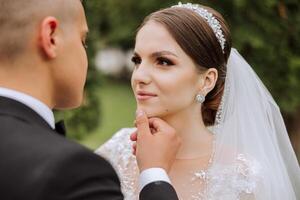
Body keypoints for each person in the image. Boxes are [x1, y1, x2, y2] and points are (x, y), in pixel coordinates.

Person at [96, 2, 300, 200]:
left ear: (206, 80)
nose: (140, 76)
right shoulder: (118, 150)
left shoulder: (243, 179)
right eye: (137, 61)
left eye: (164, 62)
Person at [0, 0, 181, 199]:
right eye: (83, 40)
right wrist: (154, 174)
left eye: (164, 62)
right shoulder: (71, 172)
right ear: (51, 37)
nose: (139, 76)